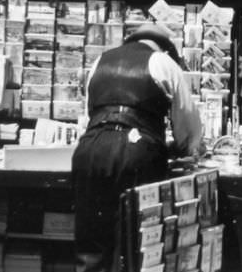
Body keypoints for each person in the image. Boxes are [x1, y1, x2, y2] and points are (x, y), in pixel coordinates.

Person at [72, 23, 203, 272]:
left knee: (91, 247)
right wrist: (182, 148)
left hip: (91, 149)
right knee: (137, 245)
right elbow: (189, 128)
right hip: (135, 153)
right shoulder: (163, 63)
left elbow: (90, 112)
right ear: (164, 48)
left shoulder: (101, 61)